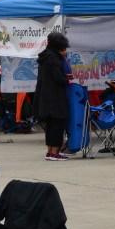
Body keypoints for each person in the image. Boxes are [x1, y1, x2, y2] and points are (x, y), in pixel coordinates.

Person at [34, 31, 71, 161]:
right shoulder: (55, 59)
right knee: (58, 124)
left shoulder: (44, 58)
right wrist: (68, 80)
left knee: (49, 125)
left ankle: (49, 151)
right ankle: (55, 152)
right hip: (56, 96)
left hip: (44, 95)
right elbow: (58, 78)